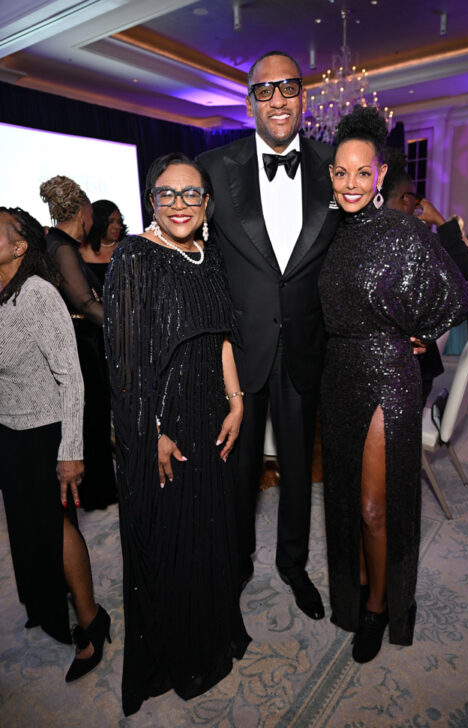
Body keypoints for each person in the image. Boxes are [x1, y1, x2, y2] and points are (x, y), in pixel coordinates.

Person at [319, 106, 468, 664]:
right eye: (341, 172)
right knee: (342, 496)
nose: (352, 183)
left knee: (373, 507)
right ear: (331, 176)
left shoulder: (404, 230)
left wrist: (419, 334)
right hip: (338, 374)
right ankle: (360, 587)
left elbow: (457, 294)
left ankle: (381, 607)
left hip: (387, 374)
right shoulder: (330, 233)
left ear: (380, 175)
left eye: (363, 172)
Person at [103, 153, 250, 716]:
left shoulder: (207, 257)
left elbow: (223, 337)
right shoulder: (135, 258)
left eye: (192, 194)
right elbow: (126, 361)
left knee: (210, 528)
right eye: (168, 194)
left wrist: (236, 401)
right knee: (169, 538)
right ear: (152, 201)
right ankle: (176, 651)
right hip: (161, 422)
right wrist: (153, 432)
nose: (181, 204)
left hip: (211, 412)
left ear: (208, 204)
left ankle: (210, 635)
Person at [199, 51, 340, 620]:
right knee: (237, 469)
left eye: (289, 88)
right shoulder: (214, 166)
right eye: (265, 89)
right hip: (239, 348)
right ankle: (235, 565)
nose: (278, 99)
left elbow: (357, 252)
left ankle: (294, 564)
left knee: (302, 471)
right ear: (249, 99)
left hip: (307, 344)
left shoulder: (335, 165)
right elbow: (196, 260)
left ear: (303, 96)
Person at [0, 206, 111, 682]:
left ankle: (91, 621)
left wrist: (71, 451)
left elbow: (72, 377)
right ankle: (46, 604)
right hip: (9, 430)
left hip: (47, 430)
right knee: (25, 527)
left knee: (56, 525)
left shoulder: (38, 295)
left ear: (19, 245)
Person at [41, 176, 116, 511]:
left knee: (92, 419)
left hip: (80, 340)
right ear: (84, 212)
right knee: (92, 420)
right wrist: (126, 326)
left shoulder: (54, 242)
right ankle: (96, 493)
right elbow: (84, 302)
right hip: (80, 345)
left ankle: (96, 490)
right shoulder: (63, 247)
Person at [382, 149, 468, 401]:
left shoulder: (370, 235)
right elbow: (466, 271)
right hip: (413, 368)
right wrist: (442, 221)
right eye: (416, 198)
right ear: (405, 198)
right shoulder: (420, 241)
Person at [80, 199, 128, 287]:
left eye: (119, 221)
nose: (117, 226)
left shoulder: (127, 247)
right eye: (111, 222)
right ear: (98, 222)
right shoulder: (81, 250)